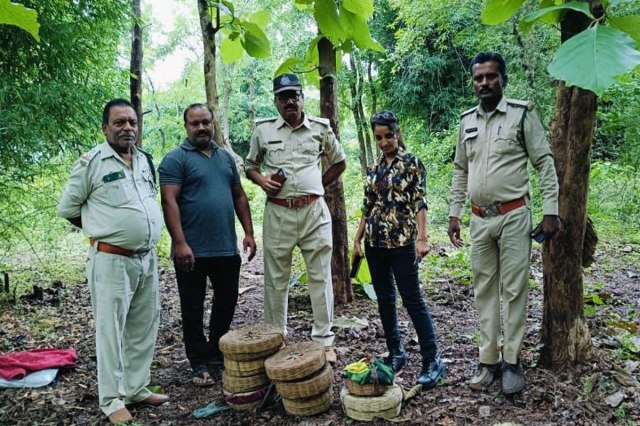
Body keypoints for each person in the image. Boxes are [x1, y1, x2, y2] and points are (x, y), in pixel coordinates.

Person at [448, 52, 560, 395]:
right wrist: (454, 212)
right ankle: (488, 360)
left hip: (514, 216)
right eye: (479, 78)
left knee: (513, 291)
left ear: (503, 79)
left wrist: (551, 210)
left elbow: (543, 162)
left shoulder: (521, 115)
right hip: (480, 220)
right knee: (483, 290)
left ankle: (512, 361)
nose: (484, 83)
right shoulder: (466, 121)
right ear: (473, 82)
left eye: (491, 77)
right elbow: (460, 169)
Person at [57, 99, 167, 424]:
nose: (127, 128)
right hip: (111, 260)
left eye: (132, 122)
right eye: (119, 123)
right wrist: (103, 230)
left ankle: (136, 388)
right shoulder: (91, 162)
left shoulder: (144, 160)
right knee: (110, 330)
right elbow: (68, 208)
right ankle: (111, 400)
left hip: (145, 259)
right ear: (105, 128)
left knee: (144, 325)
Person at [245, 73, 346, 364]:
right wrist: (262, 181)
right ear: (275, 102)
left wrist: (317, 185)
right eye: (284, 96)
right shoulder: (263, 131)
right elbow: (250, 165)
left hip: (315, 212)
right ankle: (275, 337)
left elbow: (339, 161)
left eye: (295, 95)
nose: (290, 101)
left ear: (303, 98)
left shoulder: (319, 128)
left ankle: (324, 340)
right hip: (278, 212)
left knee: (320, 276)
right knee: (276, 278)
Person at [158, 103, 257, 387]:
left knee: (226, 302)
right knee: (193, 307)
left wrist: (248, 232)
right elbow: (169, 201)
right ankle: (198, 362)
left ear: (212, 123)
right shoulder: (175, 159)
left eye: (205, 122)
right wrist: (180, 243)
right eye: (194, 123)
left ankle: (216, 352)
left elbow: (238, 195)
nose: (201, 127)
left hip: (225, 247)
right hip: (192, 250)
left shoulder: (225, 158)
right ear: (186, 126)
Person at [352, 110, 446, 388]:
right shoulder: (374, 167)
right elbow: (367, 207)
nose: (384, 142)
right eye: (379, 137)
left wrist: (423, 238)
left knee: (412, 298)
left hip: (402, 242)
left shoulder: (412, 163)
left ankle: (432, 359)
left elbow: (420, 201)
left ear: (397, 132)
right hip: (375, 243)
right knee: (384, 298)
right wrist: (357, 240)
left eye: (388, 136)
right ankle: (396, 352)